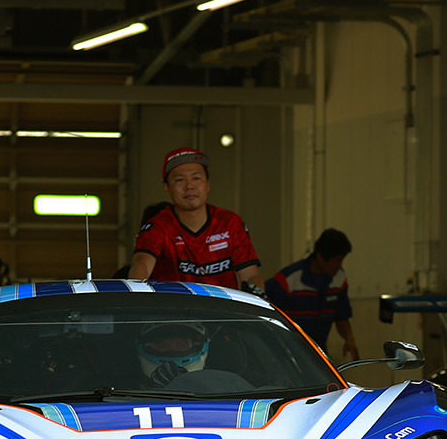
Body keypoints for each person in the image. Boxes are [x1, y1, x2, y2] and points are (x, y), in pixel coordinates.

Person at [128, 148, 265, 292]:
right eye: (180, 180)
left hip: (222, 312)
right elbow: (141, 264)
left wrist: (258, 293)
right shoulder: (157, 226)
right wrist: (136, 290)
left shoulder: (230, 223)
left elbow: (250, 276)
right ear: (166, 188)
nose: (189, 186)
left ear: (208, 184)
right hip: (173, 311)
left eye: (196, 178)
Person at [265, 228, 359, 360]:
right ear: (320, 257)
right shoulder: (287, 281)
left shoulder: (339, 279)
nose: (339, 265)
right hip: (285, 356)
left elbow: (341, 316)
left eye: (341, 260)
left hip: (317, 355)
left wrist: (349, 338)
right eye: (336, 260)